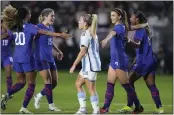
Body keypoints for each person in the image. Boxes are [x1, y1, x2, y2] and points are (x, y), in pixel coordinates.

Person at [1, 5, 71, 113]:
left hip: (17, 59)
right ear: (27, 16)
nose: (30, 15)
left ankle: (7, 95)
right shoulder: (31, 27)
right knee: (32, 84)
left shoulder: (14, 27)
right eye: (29, 14)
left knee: (21, 82)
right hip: (28, 58)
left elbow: (5, 35)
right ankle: (25, 108)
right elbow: (44, 33)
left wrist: (57, 49)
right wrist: (60, 34)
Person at [119, 11, 164, 114]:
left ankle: (131, 106)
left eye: (132, 17)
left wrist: (129, 40)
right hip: (150, 60)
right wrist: (136, 57)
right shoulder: (146, 30)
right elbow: (143, 47)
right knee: (151, 85)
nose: (130, 19)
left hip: (143, 62)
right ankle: (159, 108)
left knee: (128, 82)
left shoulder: (140, 31)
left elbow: (138, 45)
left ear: (137, 19)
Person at [100, 8, 143, 114]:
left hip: (120, 60)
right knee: (110, 84)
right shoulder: (121, 27)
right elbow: (121, 37)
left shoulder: (119, 27)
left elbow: (113, 33)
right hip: (114, 60)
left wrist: (106, 39)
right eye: (110, 15)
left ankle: (138, 106)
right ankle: (105, 108)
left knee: (126, 85)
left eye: (113, 15)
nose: (111, 17)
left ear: (119, 16)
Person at [34, 8, 65, 112]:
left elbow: (50, 42)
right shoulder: (38, 27)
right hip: (41, 57)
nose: (53, 18)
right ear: (45, 16)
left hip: (50, 57)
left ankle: (38, 95)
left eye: (54, 16)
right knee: (48, 81)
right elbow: (30, 39)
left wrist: (58, 51)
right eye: (52, 16)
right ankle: (51, 106)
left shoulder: (51, 28)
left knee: (55, 82)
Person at [69, 14, 101, 114]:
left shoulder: (85, 34)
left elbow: (83, 52)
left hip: (90, 65)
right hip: (88, 64)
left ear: (85, 23)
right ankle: (83, 109)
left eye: (80, 20)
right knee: (78, 84)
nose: (78, 22)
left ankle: (96, 111)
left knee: (91, 88)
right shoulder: (91, 32)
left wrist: (74, 65)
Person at [1, 20, 14, 98]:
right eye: (5, 23)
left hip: (7, 56)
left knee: (8, 73)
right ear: (1, 24)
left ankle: (9, 92)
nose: (7, 25)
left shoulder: (10, 33)